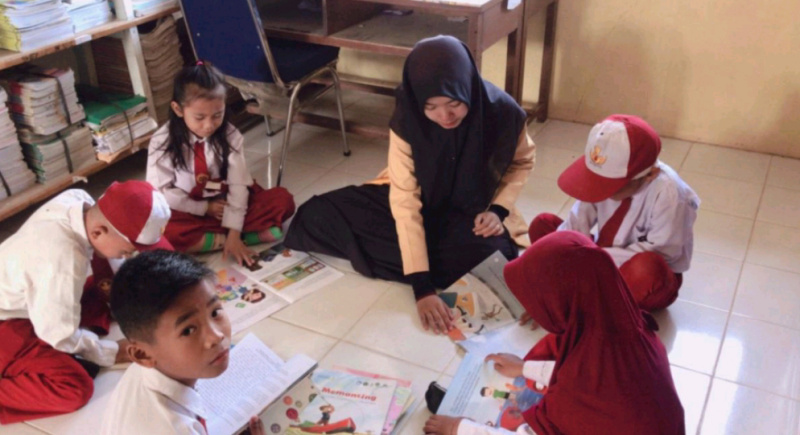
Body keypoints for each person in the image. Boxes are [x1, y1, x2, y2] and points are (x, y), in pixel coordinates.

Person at [285, 35, 535, 334]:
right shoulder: (408, 115)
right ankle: (422, 261)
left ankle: (415, 258)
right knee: (315, 215)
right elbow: (404, 198)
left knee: (494, 255)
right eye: (431, 106)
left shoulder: (502, 112)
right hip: (418, 200)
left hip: (471, 209)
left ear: (468, 87)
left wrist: (498, 210)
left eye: (454, 103)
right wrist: (422, 288)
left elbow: (522, 162)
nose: (445, 116)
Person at [424, 231, 685, 435]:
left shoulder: (580, 390)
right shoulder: (631, 329)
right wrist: (525, 368)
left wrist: (460, 428)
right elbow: (584, 377)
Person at [0, 180, 173, 424]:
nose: (128, 256)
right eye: (127, 251)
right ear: (98, 232)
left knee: (98, 296)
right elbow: (58, 334)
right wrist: (112, 352)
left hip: (23, 293)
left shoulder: (79, 201)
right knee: (74, 387)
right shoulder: (63, 261)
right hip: (7, 322)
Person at [528, 114, 699, 311]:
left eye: (609, 186)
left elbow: (664, 252)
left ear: (650, 175)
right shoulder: (601, 178)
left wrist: (592, 260)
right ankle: (588, 292)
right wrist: (561, 259)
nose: (600, 191)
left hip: (637, 269)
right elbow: (577, 222)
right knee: (544, 226)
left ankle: (589, 301)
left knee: (645, 270)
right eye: (595, 181)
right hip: (599, 257)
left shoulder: (671, 195)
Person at [147, 61, 295, 266]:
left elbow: (238, 186)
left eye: (217, 115)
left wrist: (233, 229)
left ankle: (223, 238)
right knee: (158, 228)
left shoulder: (230, 136)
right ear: (178, 109)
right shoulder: (163, 141)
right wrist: (203, 208)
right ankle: (237, 238)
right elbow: (161, 192)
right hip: (188, 208)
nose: (209, 125)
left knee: (282, 200)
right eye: (199, 117)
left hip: (227, 203)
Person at [101, 250, 264, 435]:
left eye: (215, 312)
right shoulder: (175, 428)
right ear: (142, 355)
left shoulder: (149, 368)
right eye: (188, 330)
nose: (217, 336)